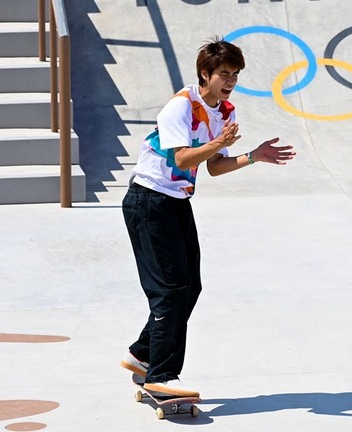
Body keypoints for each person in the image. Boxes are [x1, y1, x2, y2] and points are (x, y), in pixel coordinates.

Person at [120, 36, 295, 397]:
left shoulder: (225, 113)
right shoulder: (181, 106)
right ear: (206, 74)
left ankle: (142, 355)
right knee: (170, 290)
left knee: (190, 287)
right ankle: (161, 376)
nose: (230, 81)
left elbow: (214, 167)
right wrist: (217, 143)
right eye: (224, 74)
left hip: (175, 203)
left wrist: (253, 156)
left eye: (235, 74)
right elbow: (182, 158)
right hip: (148, 201)